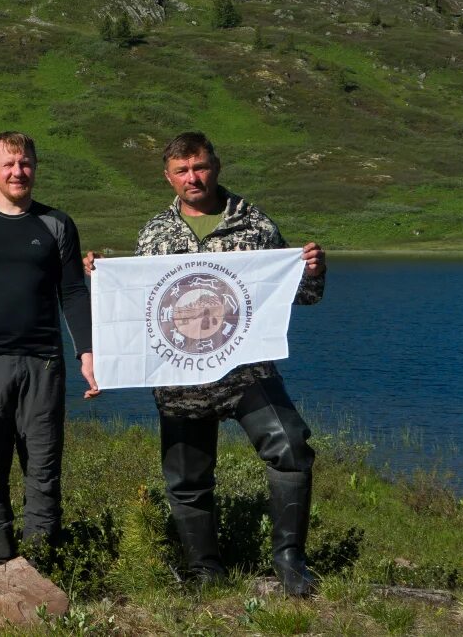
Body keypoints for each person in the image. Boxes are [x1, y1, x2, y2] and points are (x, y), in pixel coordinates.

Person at [86, 131, 327, 596]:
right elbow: (140, 306)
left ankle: (290, 561)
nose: (192, 178)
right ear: (168, 177)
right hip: (179, 379)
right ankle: (205, 570)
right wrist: (101, 275)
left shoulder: (255, 224)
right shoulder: (154, 232)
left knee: (291, 446)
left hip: (247, 374)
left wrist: (314, 271)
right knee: (187, 478)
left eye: (199, 167)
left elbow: (301, 296)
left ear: (215, 166)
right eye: (182, 171)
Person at [0, 131, 98, 569]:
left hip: (44, 363)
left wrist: (87, 351)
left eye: (25, 163)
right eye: (8, 164)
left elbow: (72, 293)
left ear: (35, 167)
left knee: (43, 471)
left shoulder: (56, 224)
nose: (17, 172)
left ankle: (41, 563)